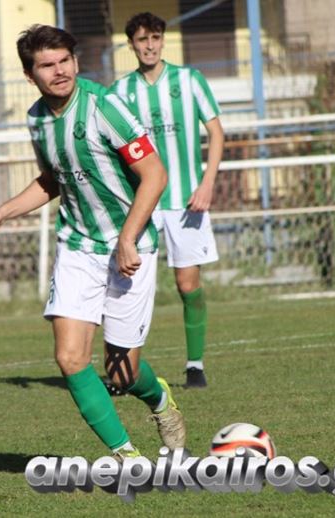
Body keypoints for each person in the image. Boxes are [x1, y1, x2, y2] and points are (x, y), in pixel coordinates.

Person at [0, 25, 186, 460]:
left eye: (64, 61)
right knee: (70, 358)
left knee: (123, 374)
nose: (59, 71)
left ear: (75, 61)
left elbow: (155, 174)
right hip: (78, 246)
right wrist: (4, 212)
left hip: (131, 247)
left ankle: (160, 398)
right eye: (47, 65)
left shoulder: (105, 107)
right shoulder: (37, 119)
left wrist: (127, 238)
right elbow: (52, 181)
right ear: (29, 74)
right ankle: (127, 457)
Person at [110, 12, 225, 388]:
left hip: (186, 201)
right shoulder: (121, 91)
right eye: (142, 39)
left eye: (155, 38)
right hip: (143, 202)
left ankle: (195, 365)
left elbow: (216, 132)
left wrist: (207, 183)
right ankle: (121, 371)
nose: (149, 45)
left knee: (187, 285)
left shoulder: (189, 80)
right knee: (127, 286)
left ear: (162, 40)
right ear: (131, 45)